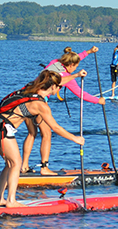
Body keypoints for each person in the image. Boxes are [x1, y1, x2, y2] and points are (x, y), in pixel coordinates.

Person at [0, 70, 84, 207]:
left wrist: (77, 75)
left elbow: (52, 80)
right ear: (52, 87)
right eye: (59, 87)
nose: (59, 89)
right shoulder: (41, 105)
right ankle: (11, 201)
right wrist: (75, 139)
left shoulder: (30, 88)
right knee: (16, 164)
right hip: (3, 128)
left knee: (10, 164)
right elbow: (55, 128)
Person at [27, 46, 103, 175]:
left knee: (31, 133)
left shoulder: (55, 63)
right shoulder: (67, 78)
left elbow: (73, 58)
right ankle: (44, 168)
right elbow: (80, 94)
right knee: (47, 134)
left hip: (26, 97)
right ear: (71, 65)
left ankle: (24, 166)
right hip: (39, 102)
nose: (76, 69)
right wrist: (98, 100)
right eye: (76, 66)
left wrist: (89, 52)